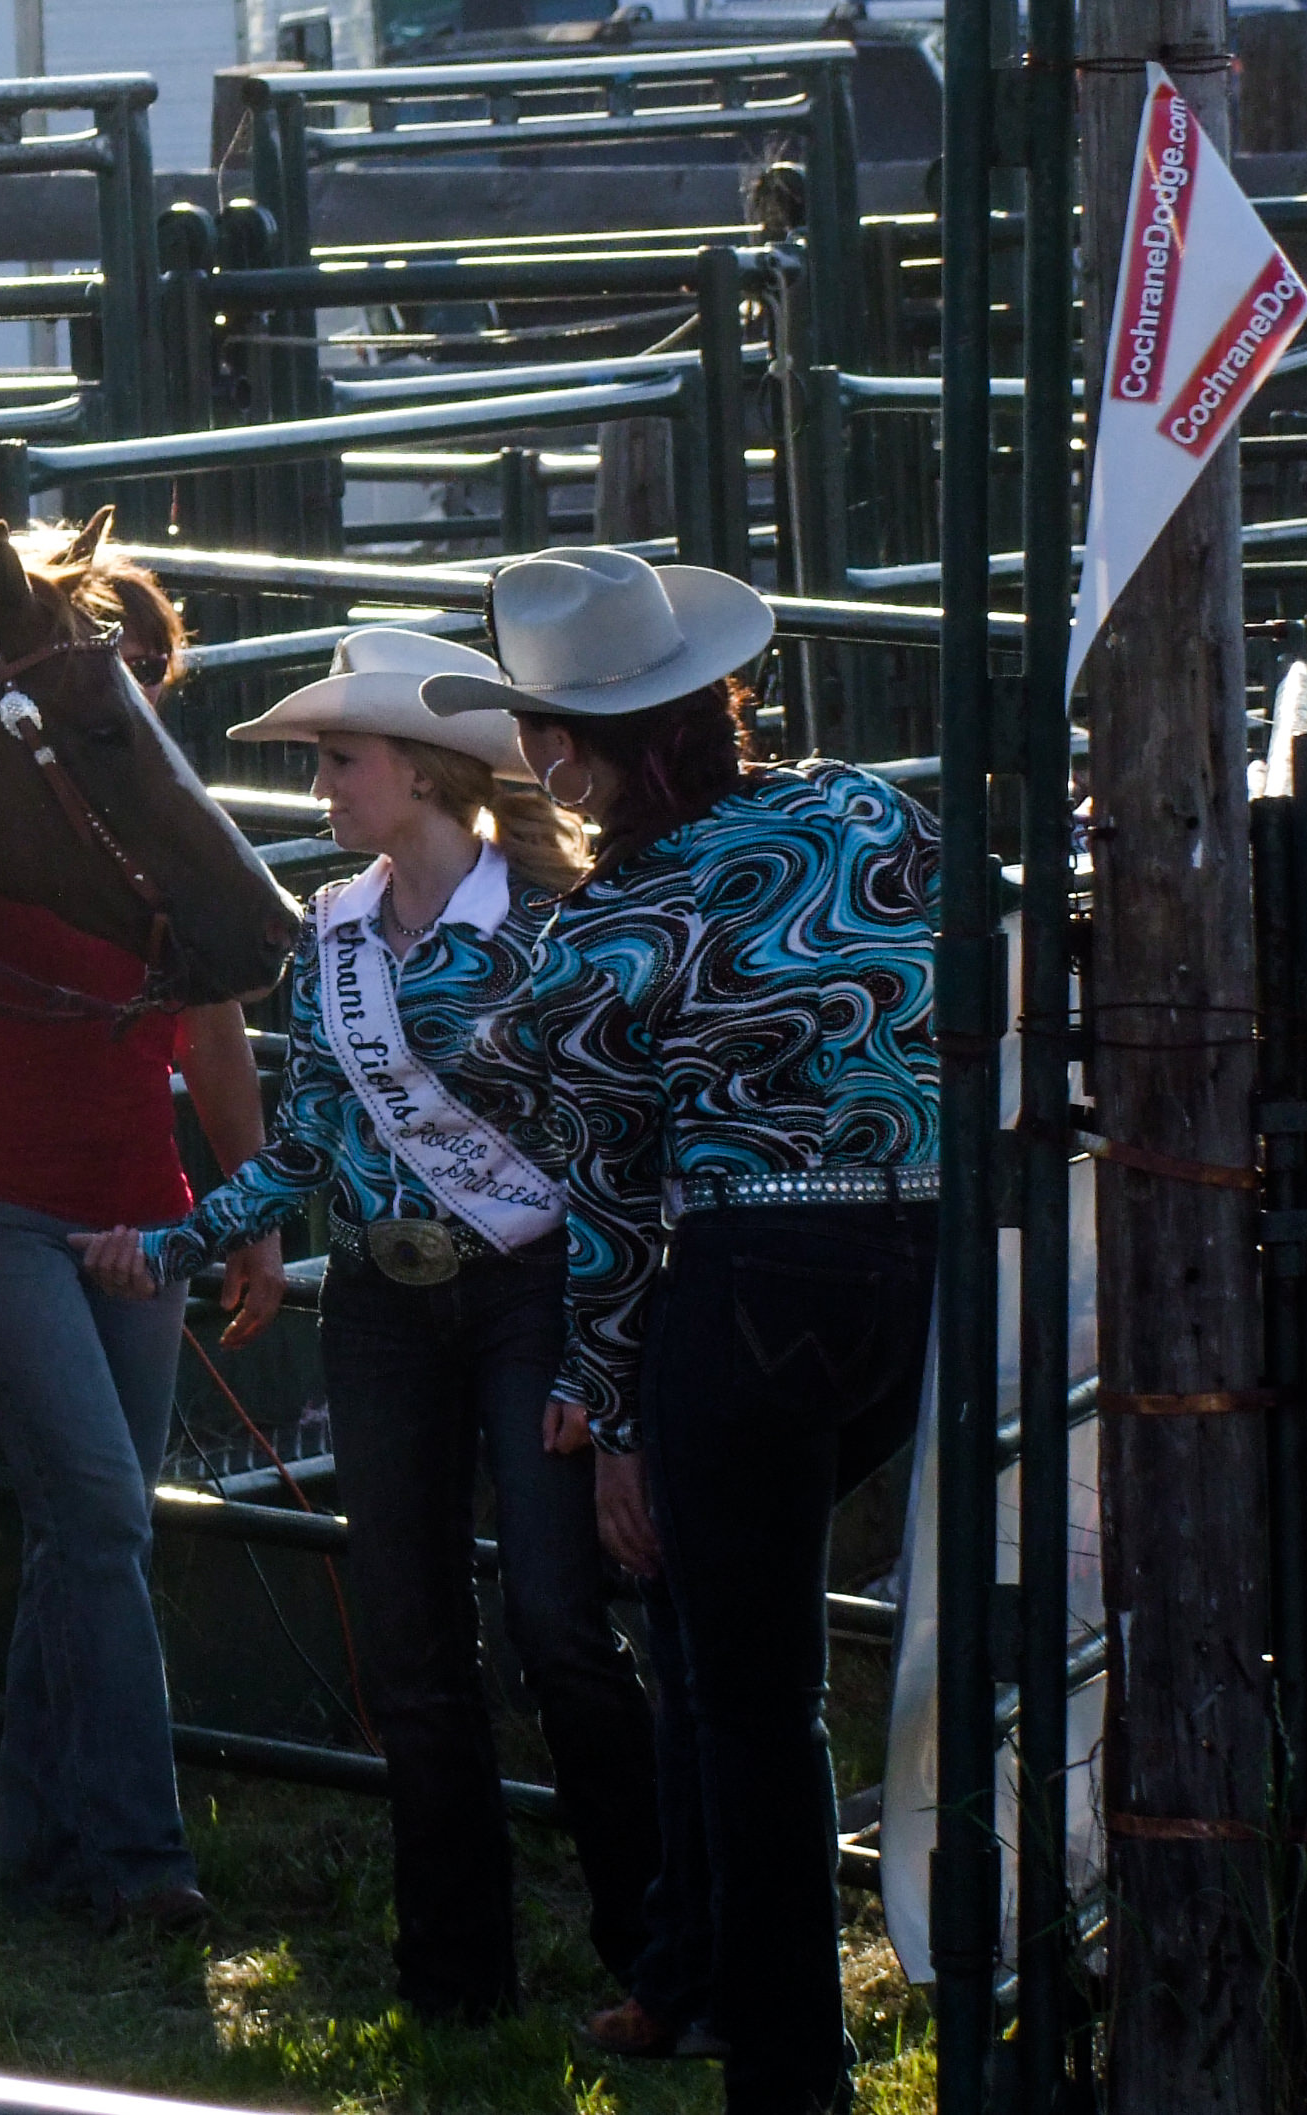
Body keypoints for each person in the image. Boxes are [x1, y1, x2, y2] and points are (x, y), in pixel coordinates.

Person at [74, 628, 662, 2021]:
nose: (323, 787)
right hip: (385, 1301)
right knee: (406, 1640)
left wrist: (598, 1355)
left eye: (341, 762)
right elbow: (308, 1145)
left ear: (421, 771)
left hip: (529, 1290)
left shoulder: (552, 924)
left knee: (556, 1622)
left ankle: (657, 1948)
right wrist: (174, 1244)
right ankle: (455, 1974)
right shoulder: (334, 930)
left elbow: (606, 1151)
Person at [423, 548, 938, 2113]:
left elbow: (607, 1197)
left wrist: (608, 1409)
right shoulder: (863, 811)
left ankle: (784, 2065)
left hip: (744, 1288)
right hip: (920, 1263)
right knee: (760, 1651)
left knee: (748, 1691)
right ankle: (722, 1982)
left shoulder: (601, 937)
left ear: (565, 754)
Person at [0, 609, 282, 1937]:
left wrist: (248, 1211)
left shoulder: (166, 846)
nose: (127, 700)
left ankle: (40, 1853)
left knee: (82, 1531)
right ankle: (140, 1853)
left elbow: (212, 1033)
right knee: (99, 1512)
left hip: (139, 1211)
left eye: (138, 679)